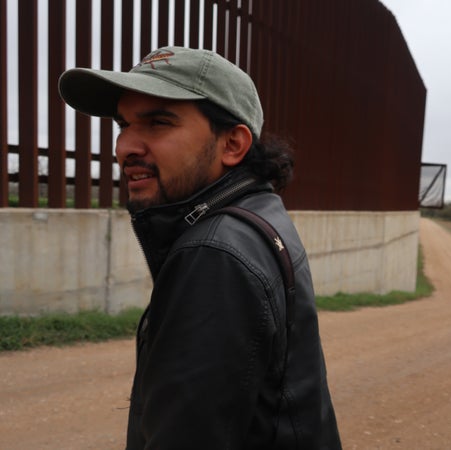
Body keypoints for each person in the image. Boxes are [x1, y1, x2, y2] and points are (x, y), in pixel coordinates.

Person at [59, 46, 341, 449]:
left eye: (158, 122)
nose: (125, 148)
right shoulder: (259, 212)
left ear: (232, 145)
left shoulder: (215, 253)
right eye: (124, 125)